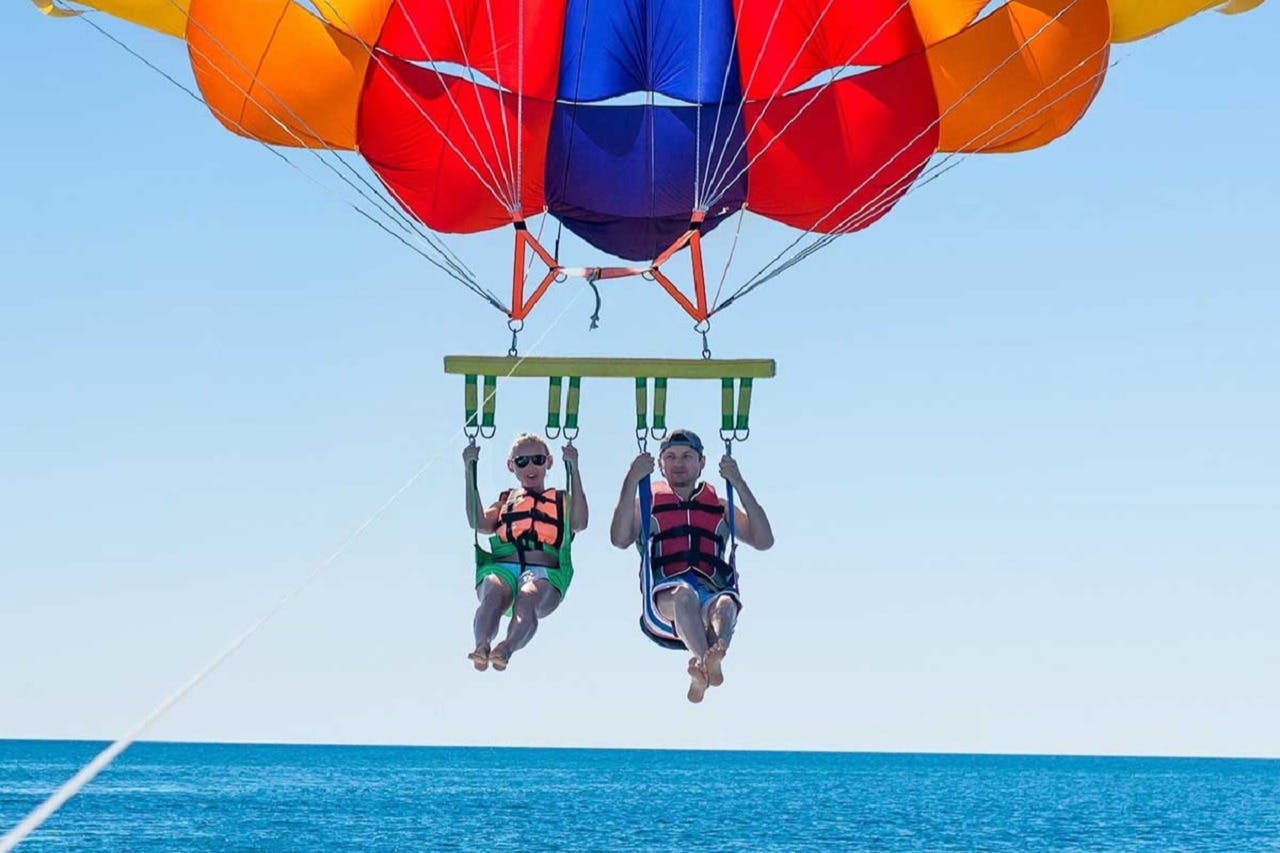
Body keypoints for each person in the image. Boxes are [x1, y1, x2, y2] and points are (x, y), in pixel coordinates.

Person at [609, 429, 773, 703]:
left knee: (726, 604)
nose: (679, 463)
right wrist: (632, 480)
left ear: (701, 463)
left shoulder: (719, 506)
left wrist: (738, 483)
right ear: (660, 464)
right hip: (665, 600)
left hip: (710, 593)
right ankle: (705, 659)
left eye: (687, 456)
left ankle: (706, 669)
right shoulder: (646, 504)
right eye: (671, 457)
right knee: (684, 594)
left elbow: (764, 540)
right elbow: (619, 538)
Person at [463, 433, 588, 672]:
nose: (530, 467)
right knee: (493, 591)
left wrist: (573, 468)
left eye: (537, 460)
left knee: (527, 596)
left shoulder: (562, 500)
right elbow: (479, 523)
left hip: (545, 572)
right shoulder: (505, 501)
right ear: (512, 466)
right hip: (503, 567)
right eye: (522, 461)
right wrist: (470, 469)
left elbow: (580, 523)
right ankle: (481, 646)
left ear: (549, 462)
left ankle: (506, 648)